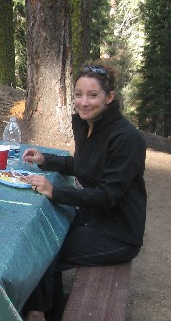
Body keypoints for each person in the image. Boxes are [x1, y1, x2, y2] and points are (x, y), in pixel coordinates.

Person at [20, 61, 147, 321]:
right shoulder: (86, 124)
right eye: (79, 94)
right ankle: (48, 309)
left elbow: (107, 196)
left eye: (93, 95)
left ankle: (37, 313)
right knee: (42, 238)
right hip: (93, 217)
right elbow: (84, 166)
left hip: (117, 233)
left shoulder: (126, 138)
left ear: (109, 98)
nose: (84, 102)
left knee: (45, 252)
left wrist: (55, 192)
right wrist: (47, 160)